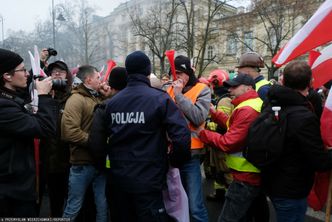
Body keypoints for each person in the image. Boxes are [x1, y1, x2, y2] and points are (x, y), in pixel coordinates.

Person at [89, 50, 191, 221]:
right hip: (149, 180)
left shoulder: (111, 103)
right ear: (148, 70)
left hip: (119, 179)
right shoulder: (160, 99)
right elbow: (181, 136)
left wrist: (106, 168)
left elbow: (97, 143)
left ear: (128, 72)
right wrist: (173, 162)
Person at [261, 61, 332, 222]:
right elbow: (319, 161)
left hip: (271, 181)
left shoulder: (270, 103)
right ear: (310, 83)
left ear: (283, 81)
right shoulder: (304, 116)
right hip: (291, 189)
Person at [198, 74, 263, 222]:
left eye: (235, 86)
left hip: (245, 176)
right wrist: (214, 114)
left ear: (248, 88)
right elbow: (233, 126)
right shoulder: (249, 104)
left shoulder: (246, 109)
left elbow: (228, 142)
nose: (230, 90)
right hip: (248, 174)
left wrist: (202, 133)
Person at [0, 48, 56, 217]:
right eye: (23, 70)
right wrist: (44, 96)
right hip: (11, 193)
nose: (27, 74)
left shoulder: (10, 98)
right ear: (7, 76)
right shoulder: (4, 107)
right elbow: (45, 129)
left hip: (16, 188)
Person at [61, 65, 109, 222]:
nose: (100, 80)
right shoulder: (75, 99)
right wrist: (95, 143)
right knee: (74, 206)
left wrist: (107, 97)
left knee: (102, 205)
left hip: (99, 162)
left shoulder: (96, 96)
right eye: (97, 78)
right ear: (88, 80)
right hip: (82, 164)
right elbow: (69, 132)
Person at [167, 55, 210, 222]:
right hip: (172, 152)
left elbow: (198, 117)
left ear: (188, 73)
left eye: (180, 73)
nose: (176, 77)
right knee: (176, 203)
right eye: (174, 72)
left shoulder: (202, 89)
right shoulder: (168, 89)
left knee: (194, 206)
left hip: (192, 153)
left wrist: (179, 96)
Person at [38, 60, 73, 217]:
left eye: (61, 71)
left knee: (73, 200)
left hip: (71, 158)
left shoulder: (74, 96)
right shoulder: (42, 97)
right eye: (53, 72)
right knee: (55, 201)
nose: (57, 73)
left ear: (68, 75)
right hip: (50, 160)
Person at [205, 69, 233, 202]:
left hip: (221, 142)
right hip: (217, 143)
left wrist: (205, 127)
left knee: (225, 171)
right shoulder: (220, 99)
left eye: (211, 84)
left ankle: (231, 199)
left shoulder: (224, 101)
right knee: (218, 171)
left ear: (215, 84)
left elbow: (223, 124)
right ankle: (220, 193)